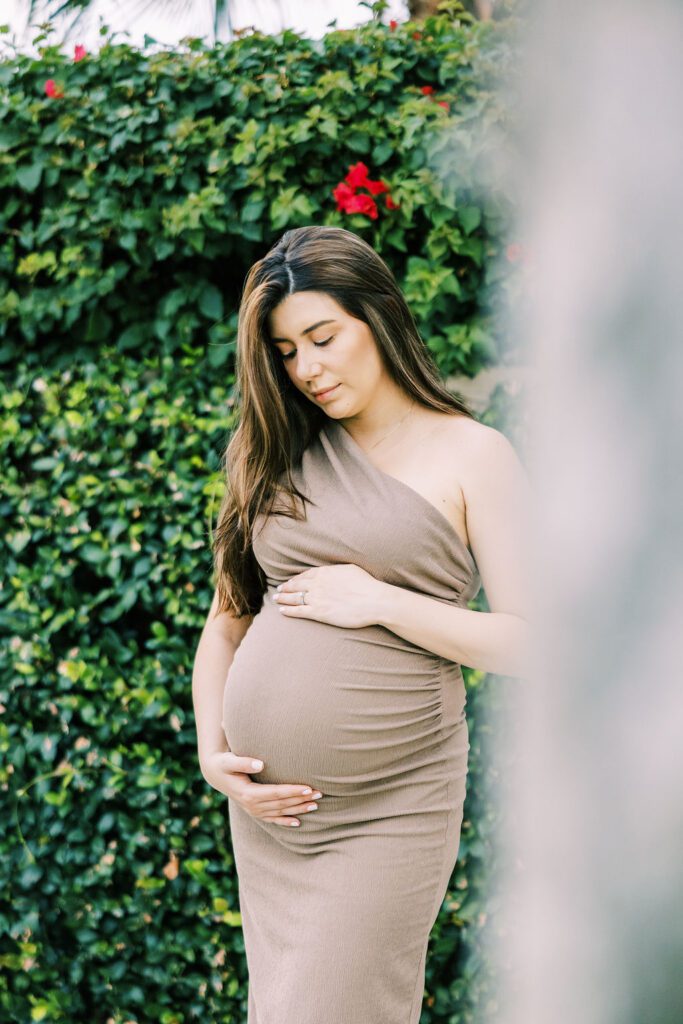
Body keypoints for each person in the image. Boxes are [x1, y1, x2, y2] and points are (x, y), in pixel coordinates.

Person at [192, 225, 530, 1024]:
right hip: (276, 821)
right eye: (284, 351)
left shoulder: (473, 455)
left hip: (390, 807)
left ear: (377, 317)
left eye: (322, 337)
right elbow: (226, 624)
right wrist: (213, 750)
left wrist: (382, 602)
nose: (306, 368)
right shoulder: (276, 452)